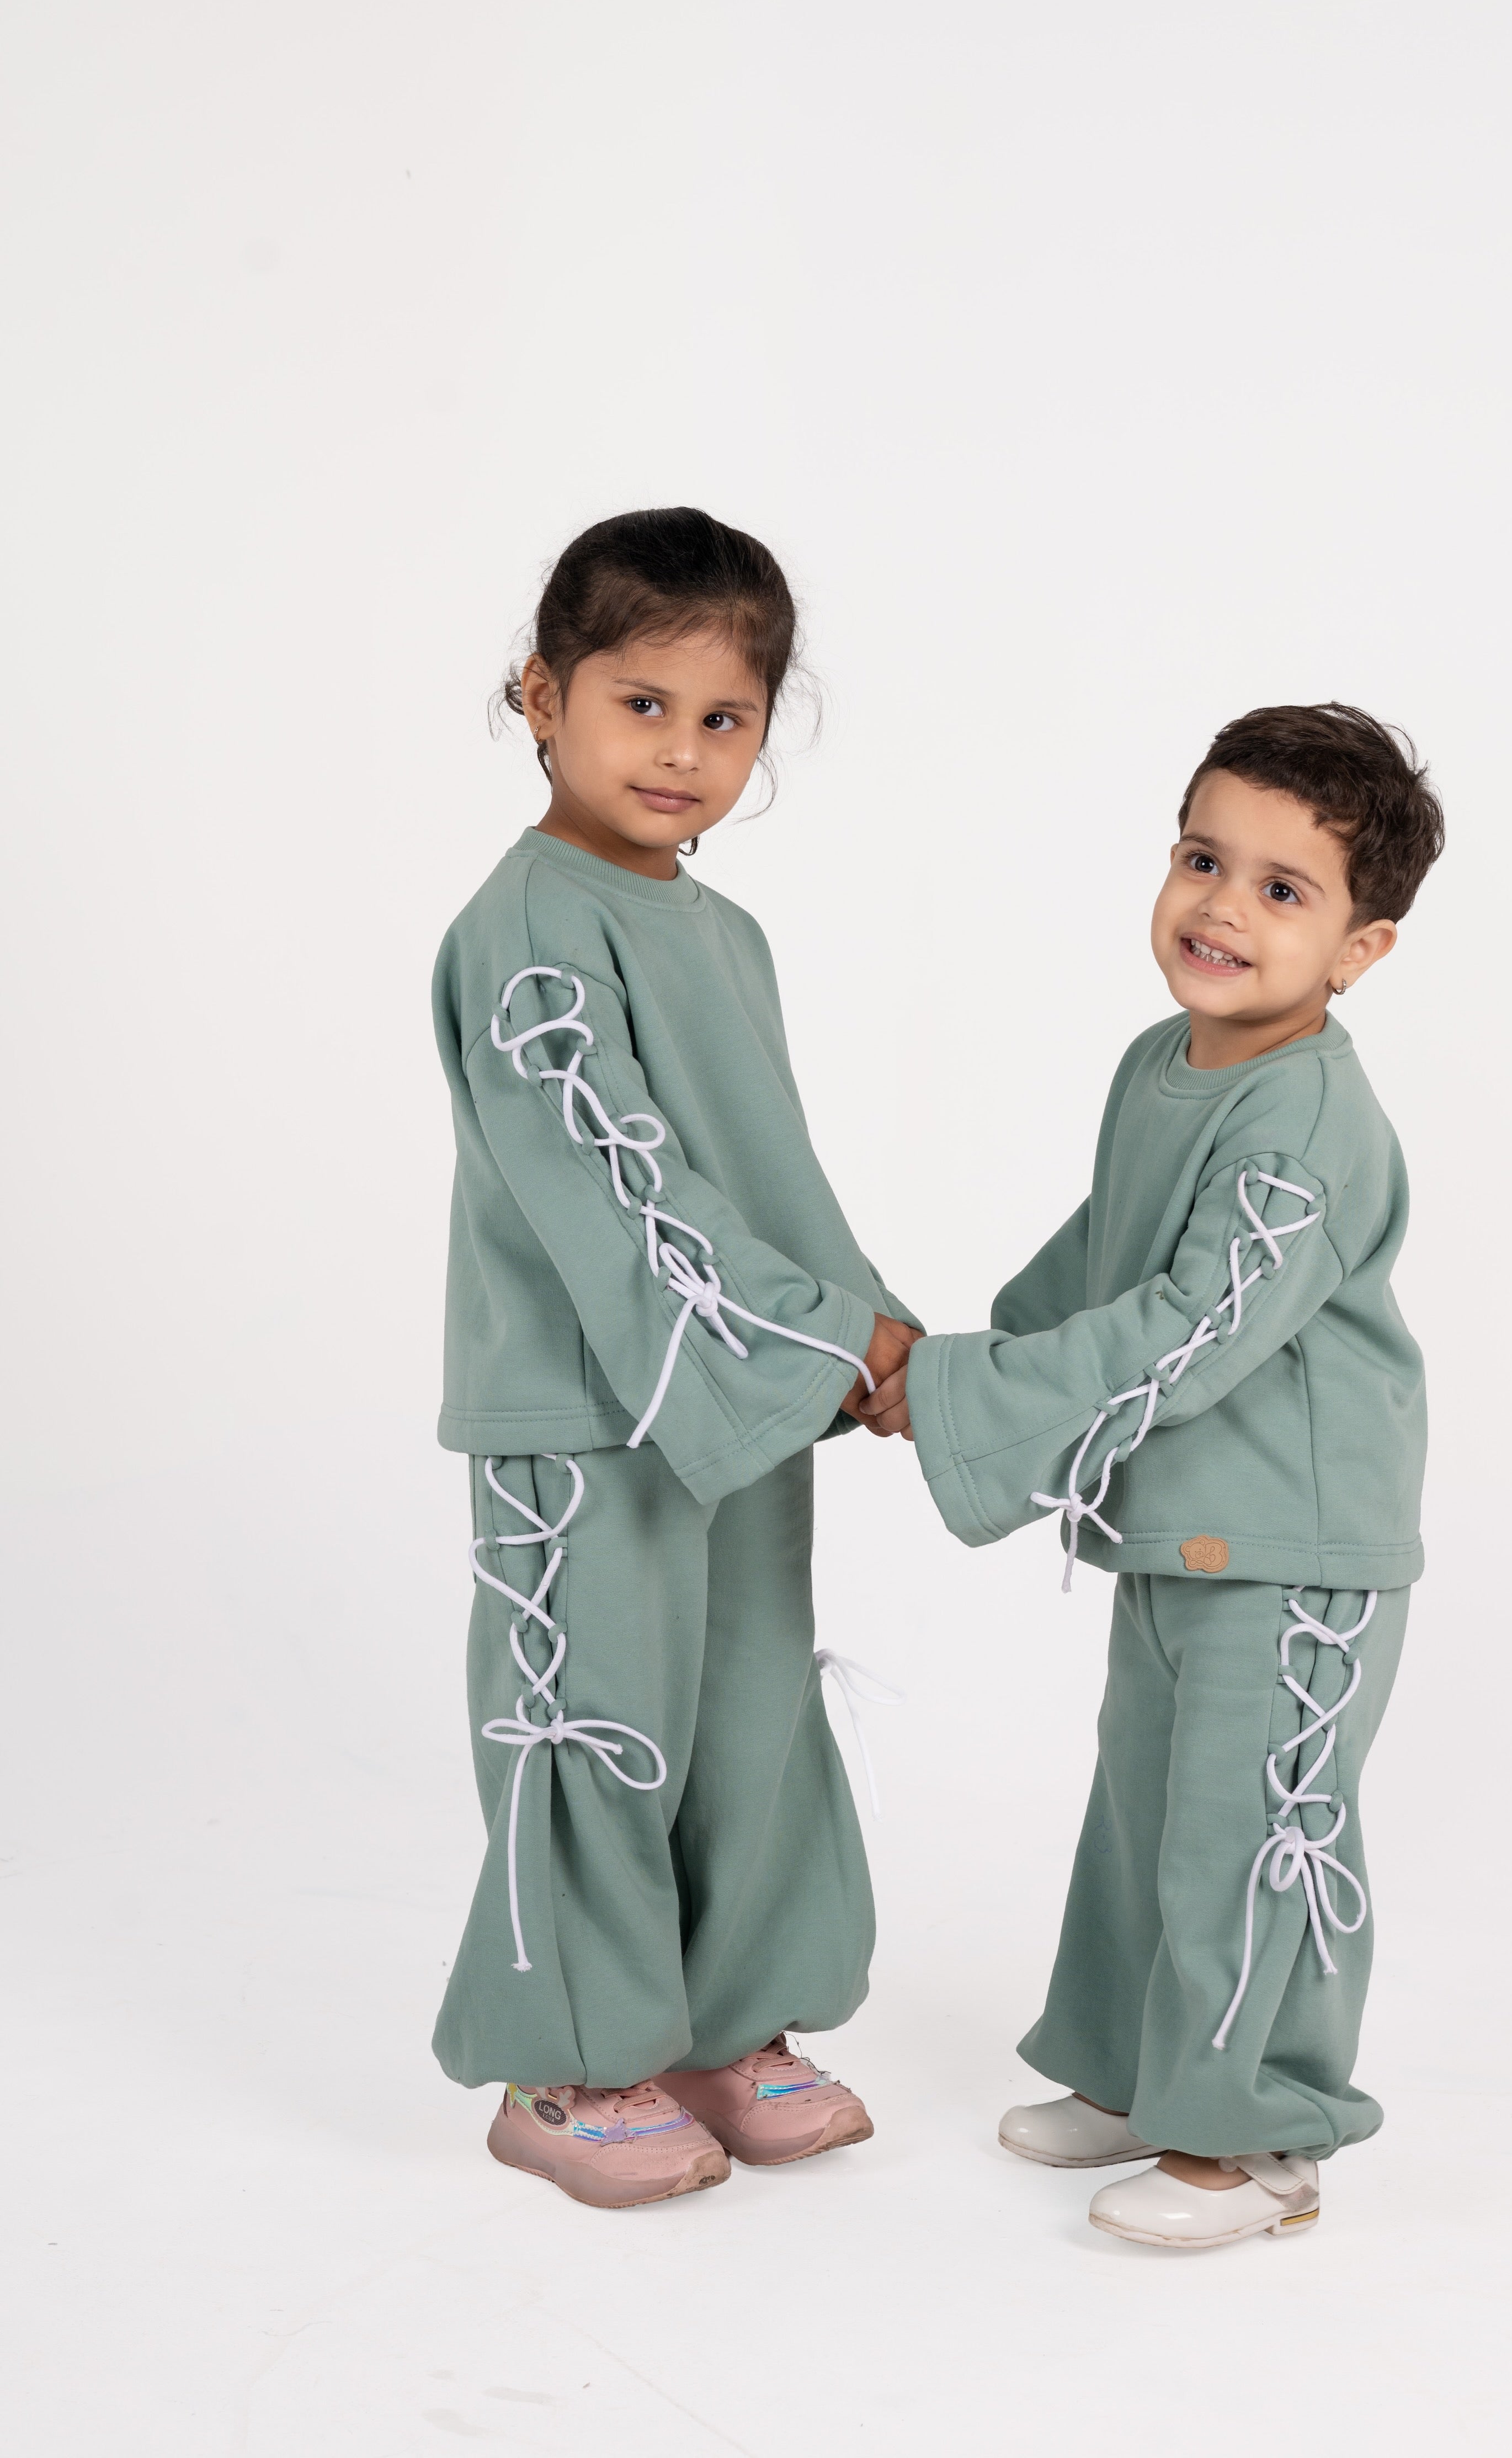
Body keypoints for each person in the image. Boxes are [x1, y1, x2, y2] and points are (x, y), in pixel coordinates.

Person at [865, 704, 1444, 2250]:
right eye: (1203, 858)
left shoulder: (1309, 1120)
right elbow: (1110, 1259)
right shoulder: (1162, 1060)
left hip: (1295, 1549)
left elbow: (1198, 1327)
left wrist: (972, 1397)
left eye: (1280, 889)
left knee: (1255, 1835)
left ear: (1360, 948)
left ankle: (1260, 2136)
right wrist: (954, 1360)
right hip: (1185, 1529)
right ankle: (1147, 2074)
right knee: (1145, 1816)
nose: (1220, 908)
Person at [431, 507, 919, 2209]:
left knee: (746, 1710)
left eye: (727, 719)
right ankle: (571, 2060)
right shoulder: (529, 927)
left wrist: (860, 1332)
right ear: (541, 695)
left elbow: (764, 1178)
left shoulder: (724, 936)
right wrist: (824, 1335)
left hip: (744, 1397)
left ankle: (723, 2023)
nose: (684, 751)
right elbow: (617, 1172)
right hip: (585, 1405)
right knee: (598, 1715)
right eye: (642, 703)